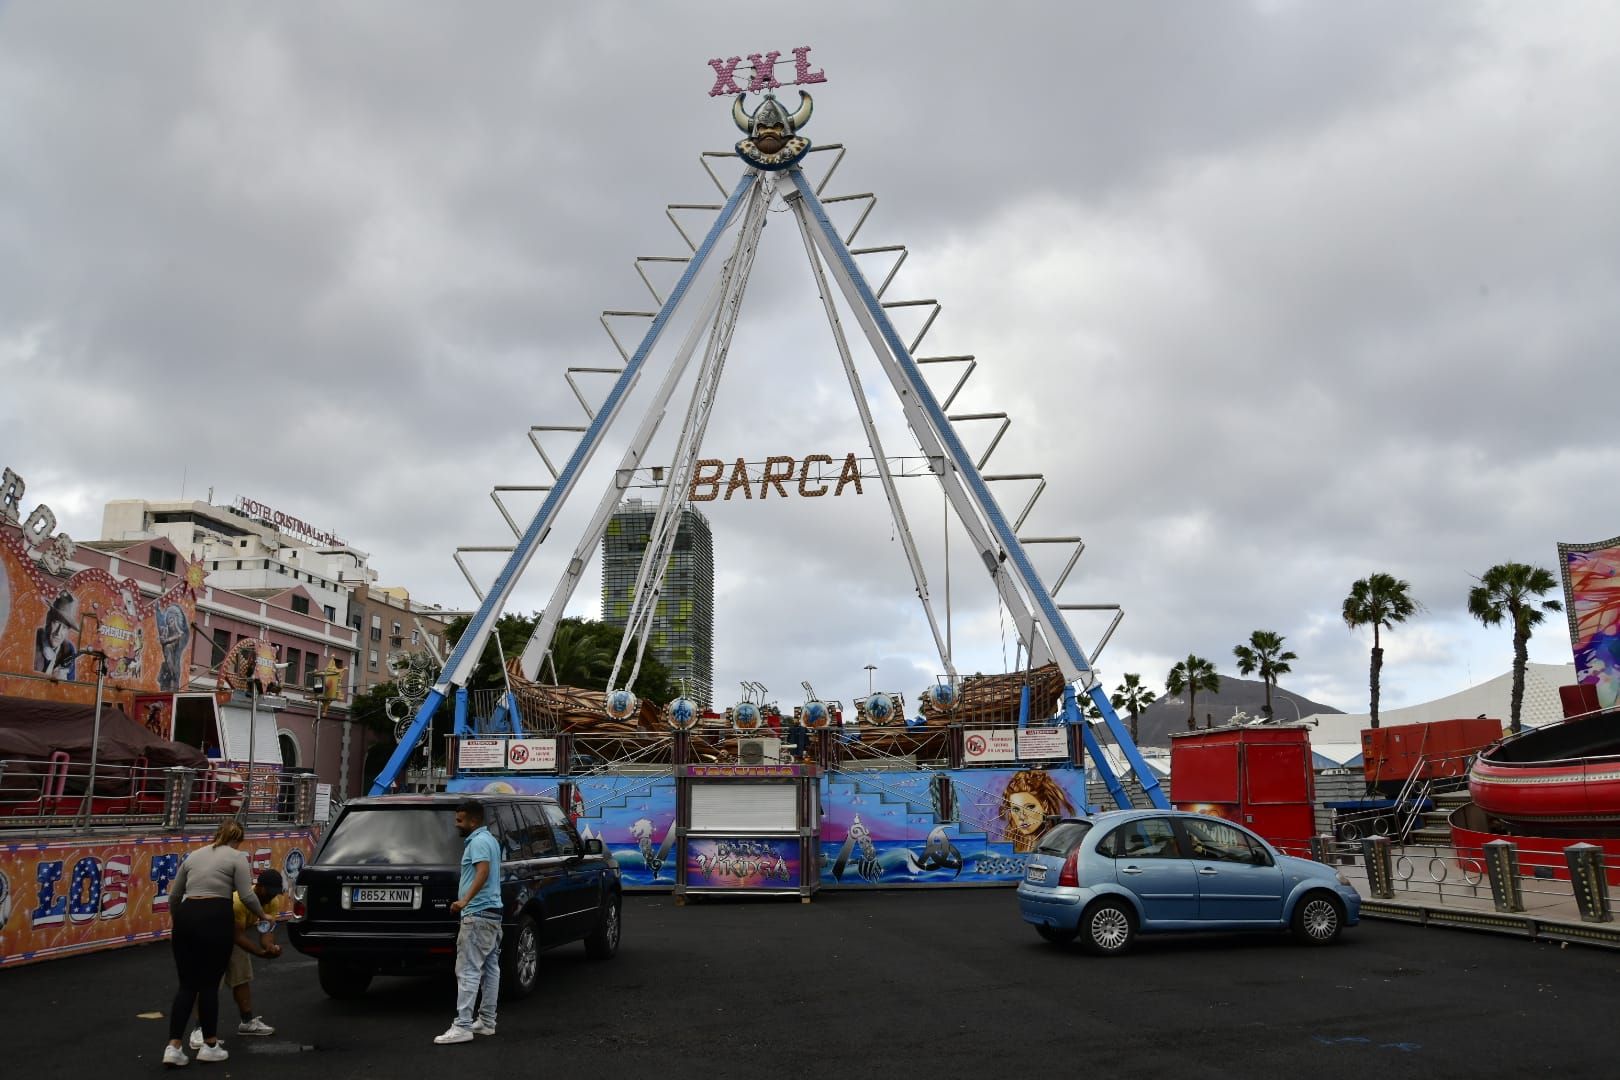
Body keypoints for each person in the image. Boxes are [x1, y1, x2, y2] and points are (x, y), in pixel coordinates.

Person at [163, 820, 268, 1067]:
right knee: (209, 984)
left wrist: (180, 919)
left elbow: (175, 896)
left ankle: (173, 1047)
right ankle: (210, 1045)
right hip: (215, 915)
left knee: (187, 985)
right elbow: (246, 894)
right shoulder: (236, 857)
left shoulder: (194, 856)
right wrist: (263, 915)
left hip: (187, 915)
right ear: (238, 839)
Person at [187, 869, 286, 1049]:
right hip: (211, 935)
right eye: (269, 891)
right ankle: (198, 1031)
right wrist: (259, 953)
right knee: (209, 984)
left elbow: (265, 933)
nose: (272, 896)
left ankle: (247, 1022)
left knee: (242, 977)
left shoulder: (272, 902)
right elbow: (237, 936)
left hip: (232, 936)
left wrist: (271, 948)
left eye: (275, 892)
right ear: (259, 887)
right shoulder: (238, 902)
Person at [435, 800, 503, 1045]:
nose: (456, 825)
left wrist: (464, 901)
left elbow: (482, 872)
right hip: (492, 913)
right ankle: (486, 1021)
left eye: (459, 820)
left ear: (474, 820)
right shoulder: (491, 840)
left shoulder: (478, 842)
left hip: (477, 915)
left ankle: (463, 1025)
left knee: (467, 970)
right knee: (490, 968)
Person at [997, 770, 1078, 854]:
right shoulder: (1010, 844)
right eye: (1016, 809)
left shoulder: (1060, 843)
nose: (1021, 816)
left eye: (1029, 807)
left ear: (1045, 807)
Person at [33, 591, 79, 678]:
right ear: (48, 621)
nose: (58, 632)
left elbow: (69, 686)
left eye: (64, 627)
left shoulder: (68, 650)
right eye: (56, 623)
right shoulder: (34, 641)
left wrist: (63, 683)